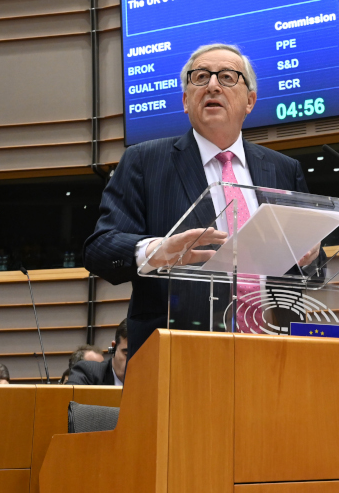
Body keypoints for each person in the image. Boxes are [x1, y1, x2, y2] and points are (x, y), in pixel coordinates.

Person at [84, 44, 311, 357]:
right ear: (185, 101)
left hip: (274, 352)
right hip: (179, 354)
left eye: (228, 77)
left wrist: (310, 255)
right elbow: (99, 248)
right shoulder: (144, 162)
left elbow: (313, 269)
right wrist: (155, 252)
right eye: (201, 77)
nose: (213, 85)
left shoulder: (284, 170)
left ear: (250, 101)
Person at [69, 320, 128, 387]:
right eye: (127, 355)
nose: (132, 362)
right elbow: (69, 396)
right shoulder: (88, 372)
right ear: (114, 347)